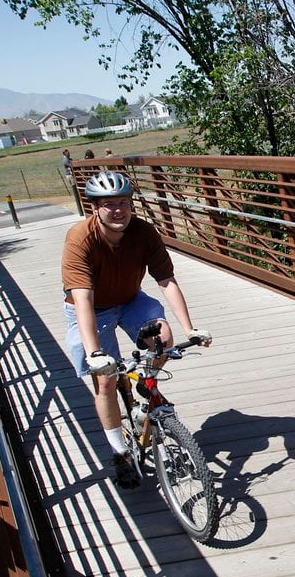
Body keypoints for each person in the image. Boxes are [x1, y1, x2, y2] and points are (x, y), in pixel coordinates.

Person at [61, 170, 211, 489]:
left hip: (130, 301)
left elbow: (166, 281)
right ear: (95, 208)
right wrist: (94, 353)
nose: (118, 210)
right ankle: (120, 454)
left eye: (123, 202)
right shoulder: (80, 238)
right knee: (105, 382)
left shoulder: (143, 233)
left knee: (164, 337)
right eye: (108, 204)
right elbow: (83, 299)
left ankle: (145, 386)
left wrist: (190, 327)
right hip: (90, 309)